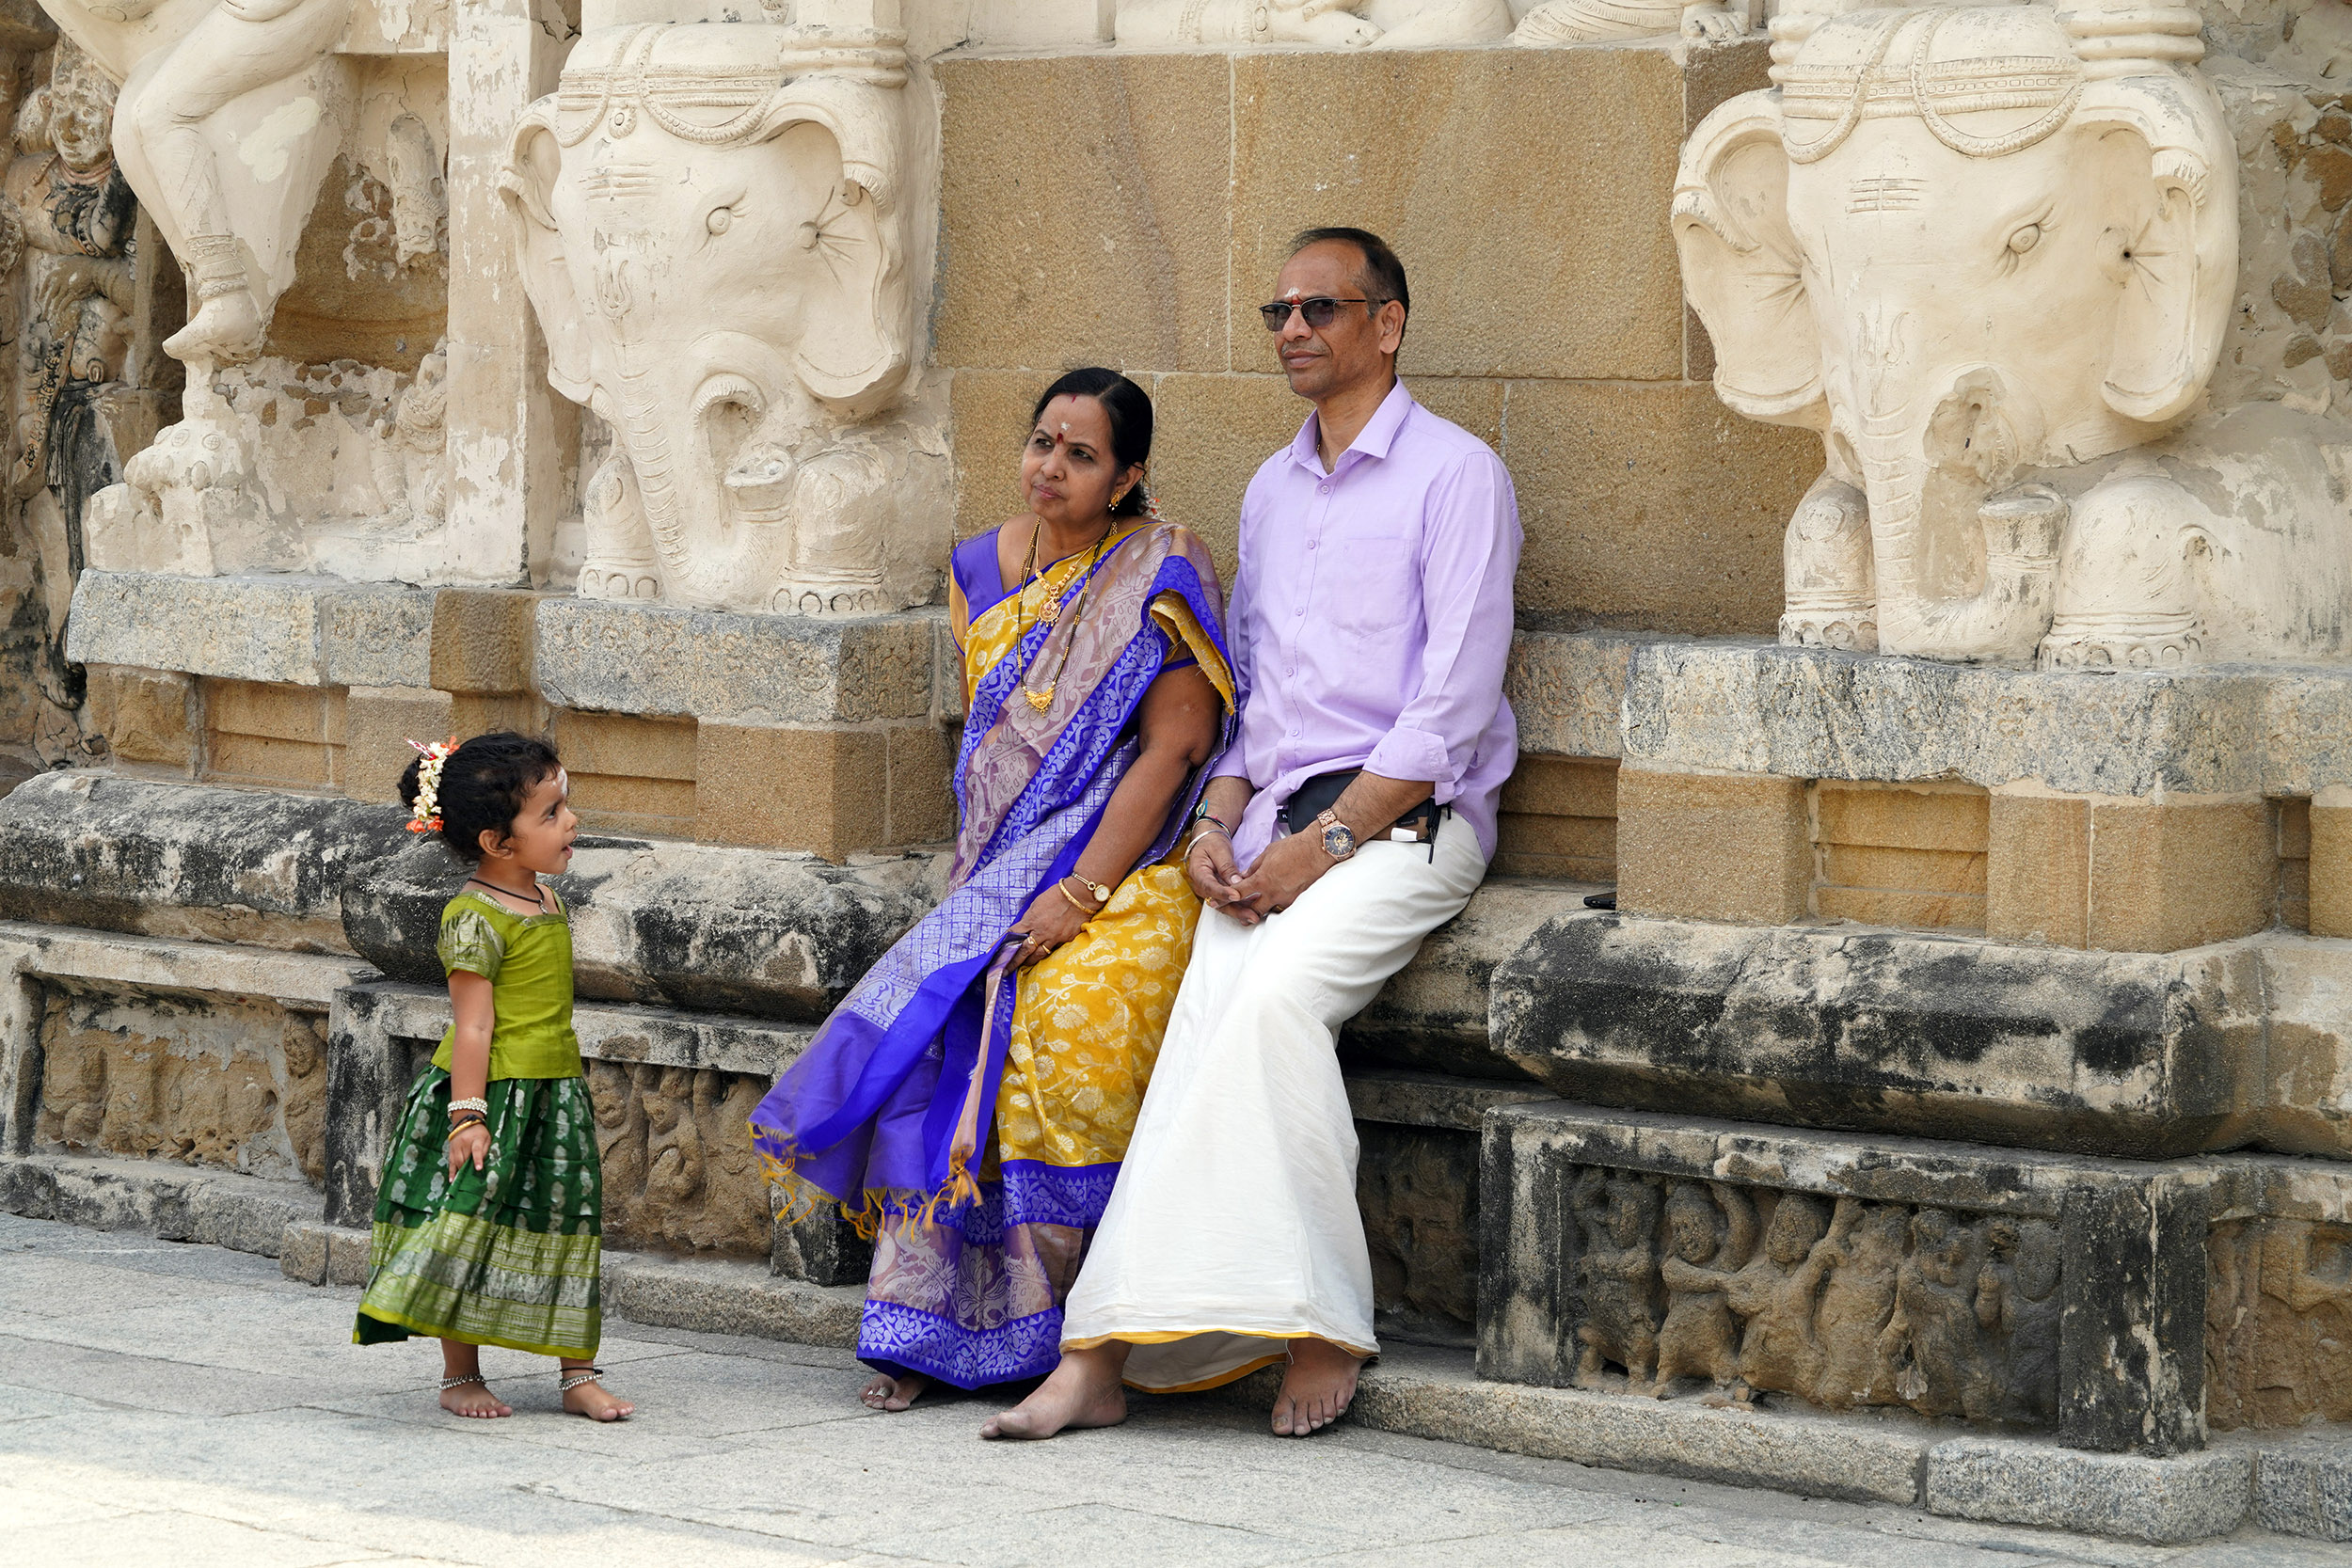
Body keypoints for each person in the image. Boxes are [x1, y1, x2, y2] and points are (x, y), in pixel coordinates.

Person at [987, 228, 1520, 1441]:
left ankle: (1320, 1320)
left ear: (1386, 324)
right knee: (1198, 1021)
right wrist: (1216, 824)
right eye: (1279, 310)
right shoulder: (1272, 489)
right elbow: (1258, 697)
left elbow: (1451, 707)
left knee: (1272, 1004)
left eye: (1319, 308)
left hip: (1409, 825)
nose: (1292, 329)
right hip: (1272, 823)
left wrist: (1319, 845)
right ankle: (1101, 1351)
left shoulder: (1457, 475)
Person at [749, 368, 1238, 1411]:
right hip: (996, 864)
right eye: (1041, 442)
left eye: (1082, 455)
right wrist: (1005, 881)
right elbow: (993, 739)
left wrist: (1081, 892)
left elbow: (1176, 748)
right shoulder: (979, 565)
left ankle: (1054, 1334)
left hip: (1125, 862)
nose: (1050, 467)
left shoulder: (1163, 567)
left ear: (1128, 476)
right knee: (942, 1021)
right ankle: (921, 1329)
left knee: (1046, 1019)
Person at [353, 731, 634, 1421]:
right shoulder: (474, 918)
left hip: (553, 1094)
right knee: (467, 1226)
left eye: (565, 805)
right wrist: (467, 1117)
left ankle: (577, 1376)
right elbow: (473, 1027)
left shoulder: (546, 899)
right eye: (550, 813)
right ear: (497, 842)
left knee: (569, 1225)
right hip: (491, 1099)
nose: (571, 822)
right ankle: (460, 1376)